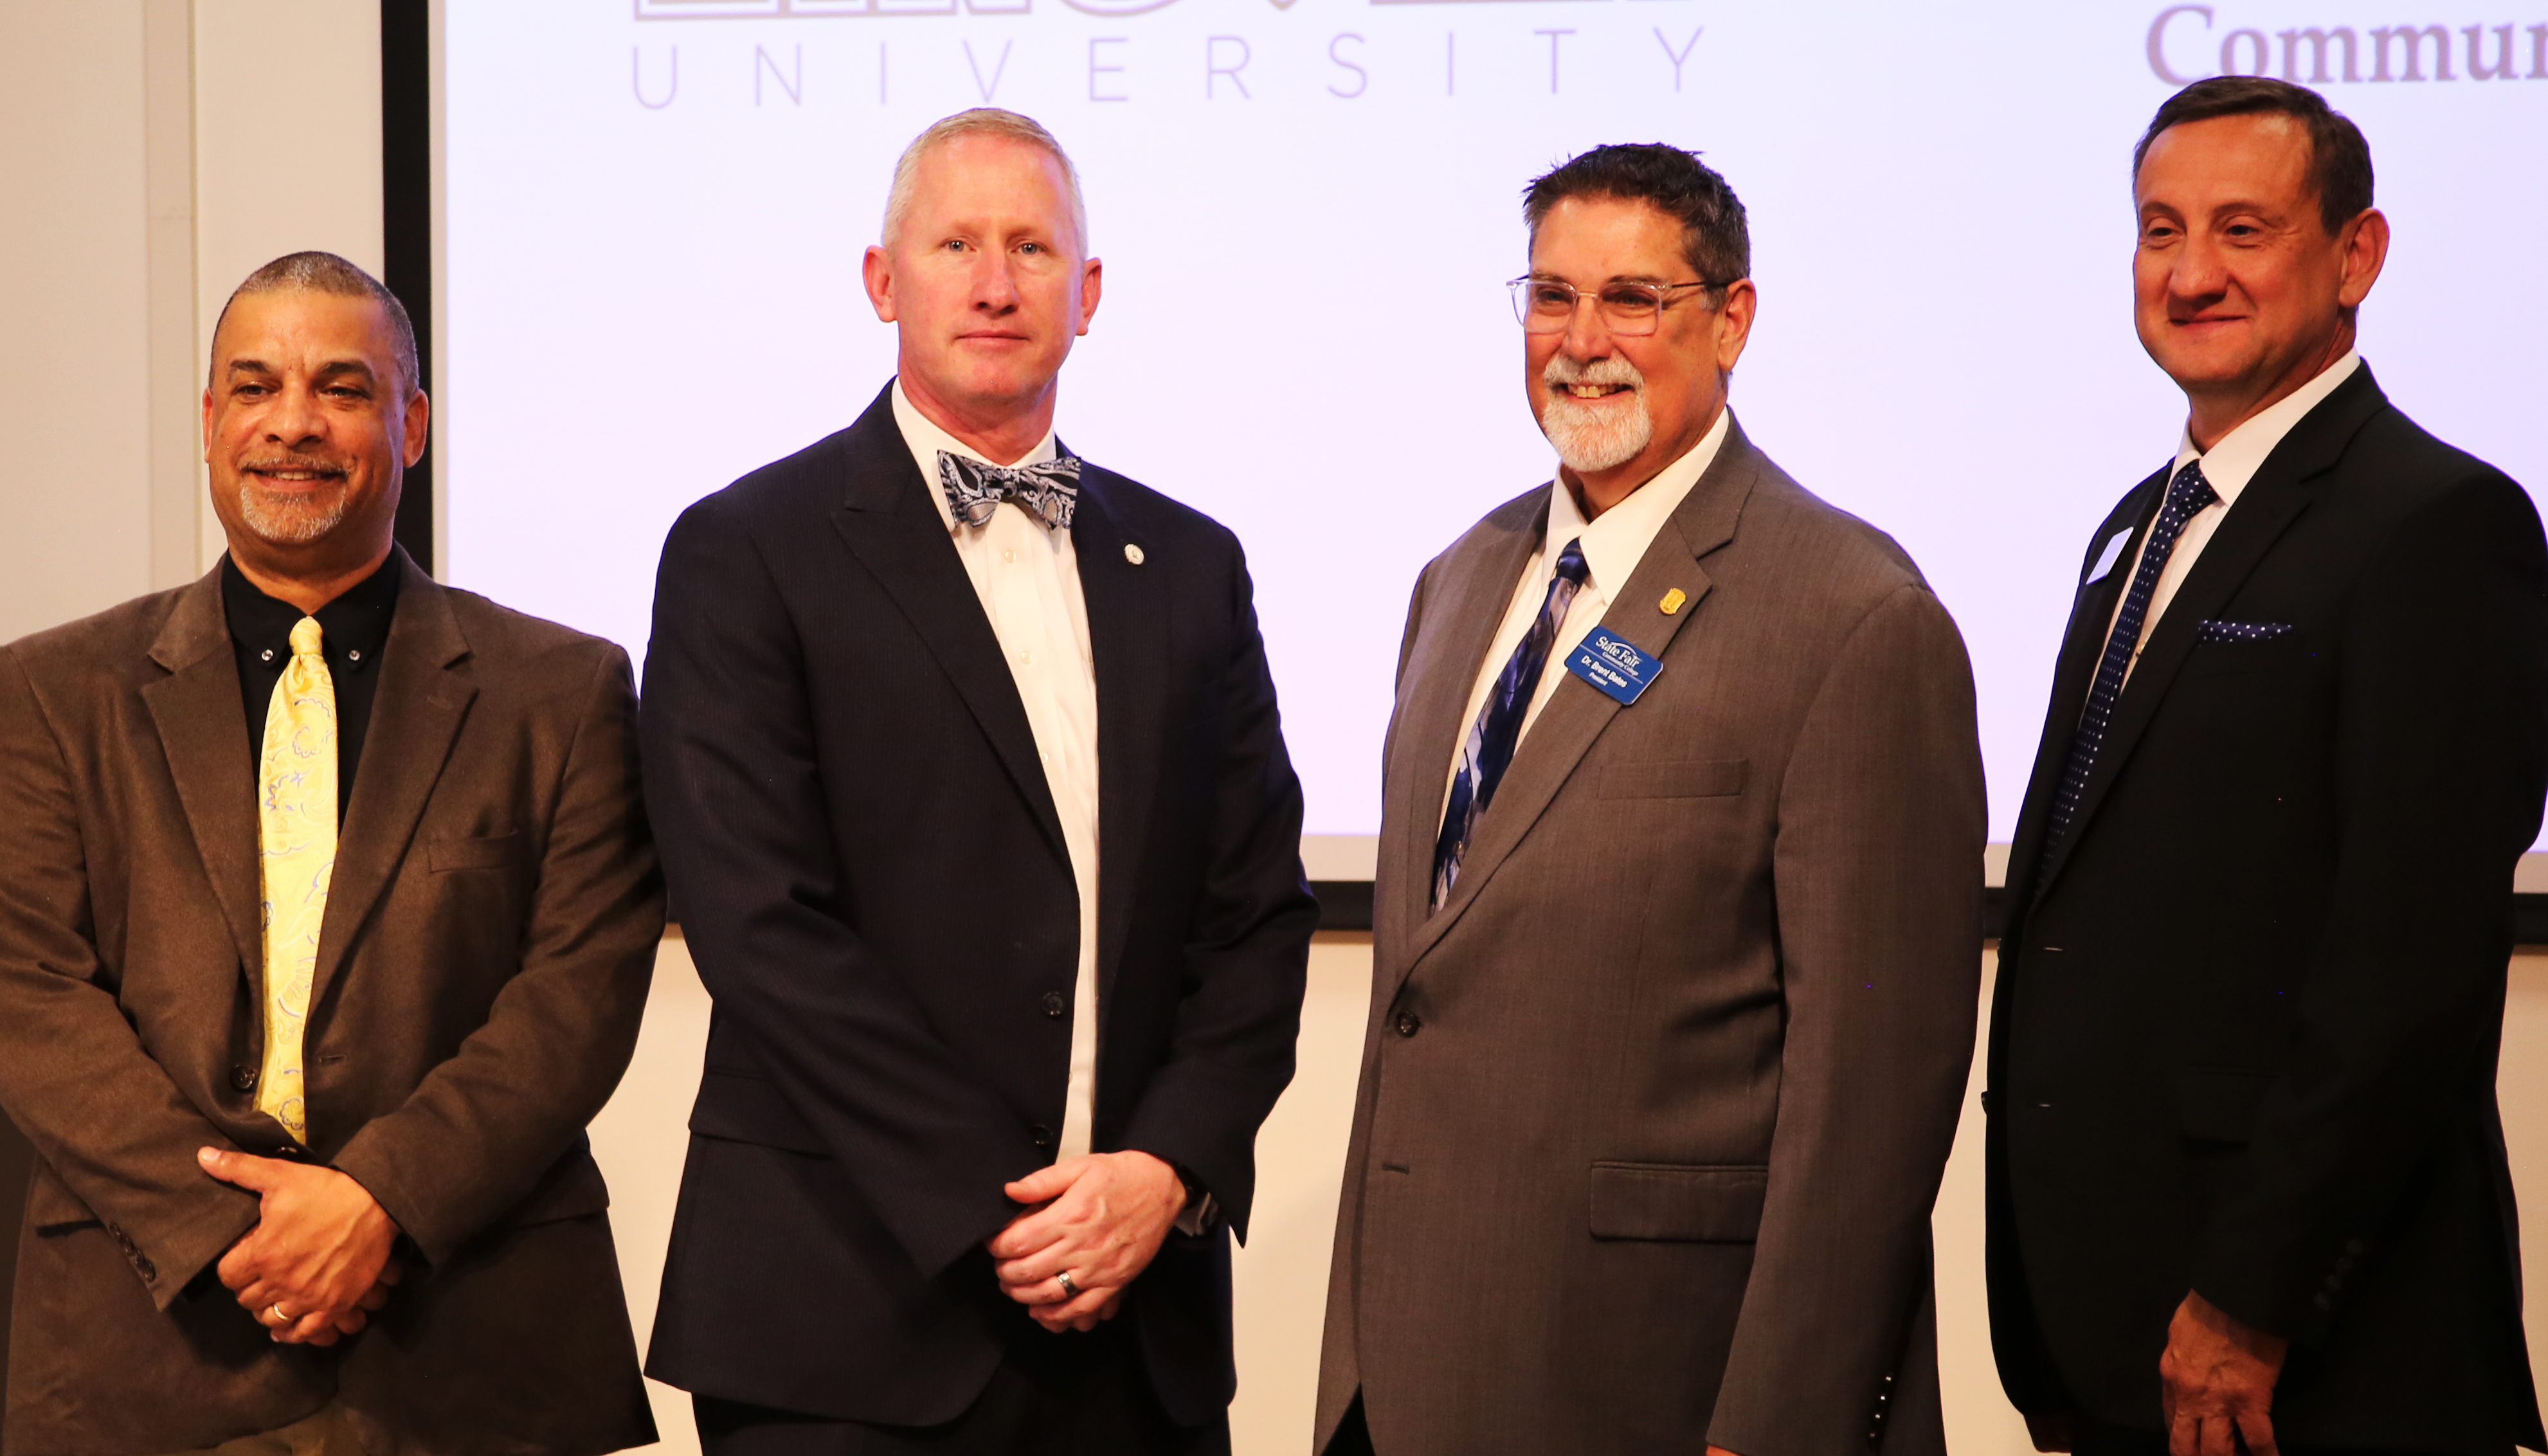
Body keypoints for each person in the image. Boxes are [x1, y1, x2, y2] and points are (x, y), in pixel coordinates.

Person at [638, 108, 1317, 1455]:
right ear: (883, 281)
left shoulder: (1190, 565)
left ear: (1090, 292)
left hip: (1141, 1334)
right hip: (844, 1332)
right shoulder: (745, 548)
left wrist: (1161, 1172)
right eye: (955, 244)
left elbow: (1255, 918)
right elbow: (760, 926)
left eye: (1031, 247)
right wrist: (1000, 1207)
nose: (996, 282)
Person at [1314, 143, 1987, 1455]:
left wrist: (1776, 1418)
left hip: (1658, 1383)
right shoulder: (1456, 580)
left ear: (1731, 319)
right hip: (1401, 1371)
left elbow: (1872, 1094)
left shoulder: (1852, 614)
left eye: (1632, 298)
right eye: (1549, 296)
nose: (1580, 342)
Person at [0, 252, 663, 1454]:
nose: (292, 423)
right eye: (254, 387)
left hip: (470, 1345)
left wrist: (380, 1202)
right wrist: (233, 1230)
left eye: (342, 388)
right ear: (209, 424)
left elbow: (579, 994)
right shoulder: (49, 693)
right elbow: (27, 992)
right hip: (147, 1349)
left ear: (411, 426)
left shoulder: (561, 691)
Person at [1986, 77, 2548, 1456]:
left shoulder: (2437, 523)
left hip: (2303, 1350)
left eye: (2240, 229)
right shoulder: (2138, 521)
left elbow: (2405, 974)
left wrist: (2247, 1300)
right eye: (2157, 229)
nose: (2188, 274)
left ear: (2354, 255)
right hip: (2113, 1319)